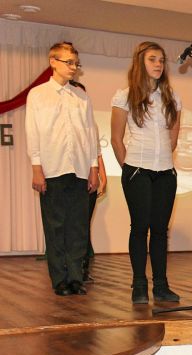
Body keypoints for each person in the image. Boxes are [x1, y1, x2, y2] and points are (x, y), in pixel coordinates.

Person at [26, 42, 99, 296]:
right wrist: (37, 168)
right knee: (55, 227)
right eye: (69, 62)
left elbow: (91, 134)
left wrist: (93, 167)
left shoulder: (82, 97)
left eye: (76, 63)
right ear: (53, 62)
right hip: (52, 168)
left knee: (78, 227)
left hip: (79, 169)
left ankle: (76, 278)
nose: (73, 67)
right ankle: (59, 279)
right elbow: (33, 132)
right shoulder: (38, 94)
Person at [111, 41, 181, 304]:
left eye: (161, 60)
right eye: (152, 59)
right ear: (140, 62)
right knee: (140, 228)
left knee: (160, 230)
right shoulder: (124, 96)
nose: (158, 64)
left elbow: (173, 139)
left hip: (165, 173)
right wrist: (129, 170)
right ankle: (139, 285)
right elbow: (116, 139)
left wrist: (161, 161)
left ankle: (161, 285)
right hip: (137, 170)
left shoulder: (172, 98)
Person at [69, 80, 108, 283]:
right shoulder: (64, 122)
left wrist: (103, 176)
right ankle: (67, 267)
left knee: (84, 224)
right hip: (69, 179)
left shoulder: (92, 123)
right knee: (70, 224)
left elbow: (97, 152)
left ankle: (83, 268)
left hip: (88, 180)